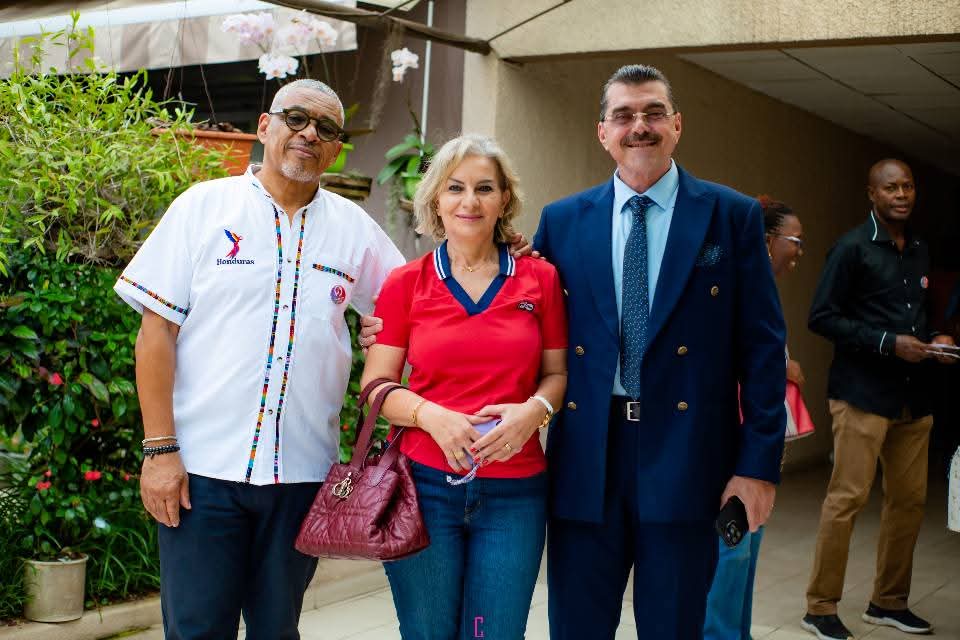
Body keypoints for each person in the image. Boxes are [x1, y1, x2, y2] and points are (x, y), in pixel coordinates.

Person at [116, 79, 530, 639]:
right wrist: (159, 449)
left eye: (326, 128)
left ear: (336, 148)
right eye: (296, 118)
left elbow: (427, 296)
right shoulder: (203, 208)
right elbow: (155, 334)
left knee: (278, 630)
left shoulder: (353, 229)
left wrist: (500, 252)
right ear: (265, 126)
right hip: (202, 473)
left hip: (302, 477)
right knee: (196, 631)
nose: (309, 133)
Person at [533, 64, 787, 640]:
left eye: (653, 113)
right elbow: (527, 330)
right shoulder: (562, 220)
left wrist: (757, 468)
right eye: (623, 115)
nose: (639, 126)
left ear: (677, 124)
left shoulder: (731, 215)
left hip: (689, 456)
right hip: (588, 457)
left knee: (673, 627)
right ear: (603, 132)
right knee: (575, 628)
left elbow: (764, 350)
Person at [359, 134, 568, 640]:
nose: (469, 201)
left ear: (504, 200)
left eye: (484, 188)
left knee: (490, 633)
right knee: (428, 632)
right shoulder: (406, 283)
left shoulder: (539, 279)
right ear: (436, 199)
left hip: (515, 493)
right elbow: (375, 387)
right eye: (455, 188)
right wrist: (432, 416)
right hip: (423, 488)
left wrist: (534, 411)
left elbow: (557, 375)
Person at [802, 158, 956, 640]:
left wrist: (937, 337)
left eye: (907, 186)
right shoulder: (851, 248)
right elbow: (821, 317)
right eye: (891, 188)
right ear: (872, 194)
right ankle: (820, 608)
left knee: (909, 503)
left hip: (913, 397)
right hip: (862, 394)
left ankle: (888, 602)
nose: (901, 195)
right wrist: (889, 343)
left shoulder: (920, 249)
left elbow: (923, 314)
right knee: (846, 499)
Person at [704, 196, 805, 640]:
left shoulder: (762, 289)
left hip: (756, 452)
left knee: (745, 552)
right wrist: (782, 366)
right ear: (766, 241)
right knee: (730, 554)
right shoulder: (727, 283)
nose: (798, 251)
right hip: (729, 444)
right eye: (794, 240)